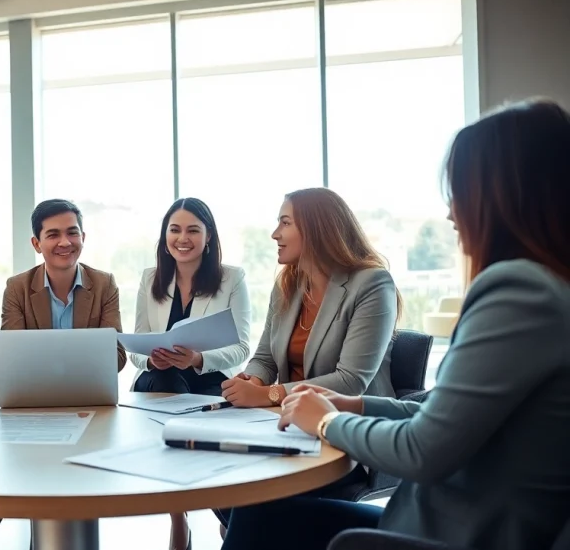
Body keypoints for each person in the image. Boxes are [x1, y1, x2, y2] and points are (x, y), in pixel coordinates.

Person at [223, 98, 570, 550]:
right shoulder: (547, 290)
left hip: (444, 534)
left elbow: (423, 450)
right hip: (447, 520)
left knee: (263, 520)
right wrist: (355, 406)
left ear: (504, 194)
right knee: (260, 514)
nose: (451, 213)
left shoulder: (519, 292)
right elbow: (440, 416)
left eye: (461, 190)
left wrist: (327, 422)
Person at [127, 197, 253, 550]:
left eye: (193, 230)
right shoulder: (150, 279)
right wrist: (153, 360)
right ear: (164, 236)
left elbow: (242, 347)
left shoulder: (232, 278)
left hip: (208, 379)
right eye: (175, 230)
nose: (183, 238)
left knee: (190, 417)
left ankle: (194, 509)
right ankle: (181, 512)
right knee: (166, 384)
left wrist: (198, 358)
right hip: (159, 378)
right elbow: (136, 347)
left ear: (208, 237)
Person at [221, 187, 399, 410]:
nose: (275, 234)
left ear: (317, 229)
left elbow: (350, 381)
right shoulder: (286, 287)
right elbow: (265, 359)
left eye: (285, 223)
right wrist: (251, 381)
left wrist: (268, 394)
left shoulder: (372, 284)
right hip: (289, 417)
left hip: (353, 424)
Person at [1, 199, 127, 370]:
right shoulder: (17, 288)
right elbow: (11, 358)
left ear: (83, 237)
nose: (65, 242)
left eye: (72, 233)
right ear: (36, 244)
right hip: (37, 392)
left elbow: (117, 357)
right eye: (53, 235)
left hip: (89, 390)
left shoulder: (104, 285)